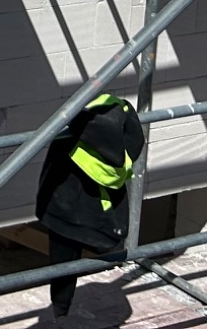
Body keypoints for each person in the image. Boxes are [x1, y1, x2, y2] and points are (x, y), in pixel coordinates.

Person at [34, 93, 145, 317]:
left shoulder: (69, 137)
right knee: (77, 249)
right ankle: (62, 308)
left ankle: (61, 308)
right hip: (103, 219)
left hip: (64, 211)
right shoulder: (123, 135)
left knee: (64, 253)